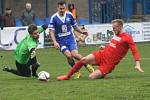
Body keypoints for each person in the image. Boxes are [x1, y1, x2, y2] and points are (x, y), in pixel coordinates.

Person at [57, 19, 144, 81]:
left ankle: (103, 73)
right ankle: (67, 76)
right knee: (83, 60)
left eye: (114, 28)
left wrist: (137, 64)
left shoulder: (127, 38)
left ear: (120, 27)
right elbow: (114, 47)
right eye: (112, 28)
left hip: (108, 64)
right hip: (102, 55)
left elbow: (134, 51)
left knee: (91, 77)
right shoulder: (116, 36)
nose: (113, 30)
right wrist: (105, 47)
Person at [49, 0, 94, 79]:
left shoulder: (69, 15)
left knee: (75, 55)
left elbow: (75, 26)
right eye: (60, 9)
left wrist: (82, 31)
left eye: (63, 8)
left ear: (65, 8)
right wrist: (55, 42)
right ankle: (77, 72)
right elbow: (51, 31)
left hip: (70, 39)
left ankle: (88, 66)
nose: (62, 10)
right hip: (61, 41)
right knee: (69, 56)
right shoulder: (54, 17)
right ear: (58, 8)